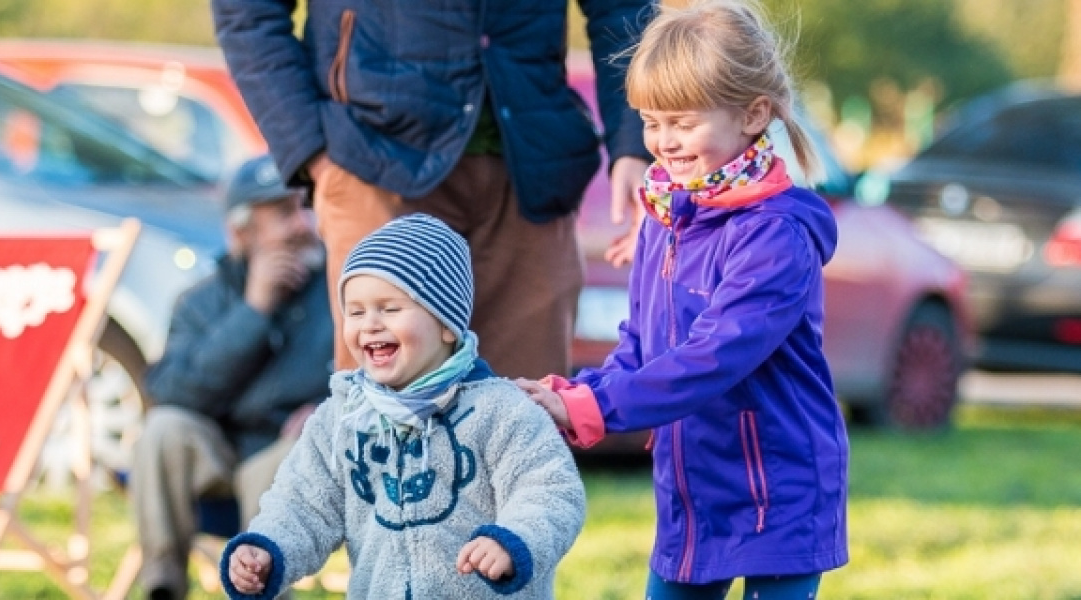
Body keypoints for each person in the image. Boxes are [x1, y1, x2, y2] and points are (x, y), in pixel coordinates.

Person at [516, 1, 849, 598]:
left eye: (683, 122)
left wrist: (594, 410)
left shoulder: (774, 237)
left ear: (753, 114)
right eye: (650, 121)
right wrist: (577, 395)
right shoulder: (663, 218)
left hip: (780, 493)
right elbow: (639, 349)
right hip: (693, 491)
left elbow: (711, 359)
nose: (662, 142)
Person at [213, 0, 654, 379]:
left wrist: (633, 141)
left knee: (529, 414)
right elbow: (248, 11)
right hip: (372, 158)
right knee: (386, 422)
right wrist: (311, 148)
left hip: (532, 165)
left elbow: (624, 9)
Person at [220, 214, 586, 600]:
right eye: (356, 312)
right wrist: (266, 547)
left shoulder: (500, 411)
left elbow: (550, 490)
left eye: (390, 308)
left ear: (446, 324)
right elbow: (303, 503)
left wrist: (514, 540)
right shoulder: (343, 418)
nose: (370, 324)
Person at [132, 155, 333, 600]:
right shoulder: (200, 302)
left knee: (284, 463)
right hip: (216, 454)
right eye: (283, 214)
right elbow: (172, 393)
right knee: (162, 429)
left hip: (290, 451)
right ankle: (162, 587)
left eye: (306, 206)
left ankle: (259, 592)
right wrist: (254, 310)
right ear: (241, 234)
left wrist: (328, 412)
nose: (303, 224)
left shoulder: (342, 292)